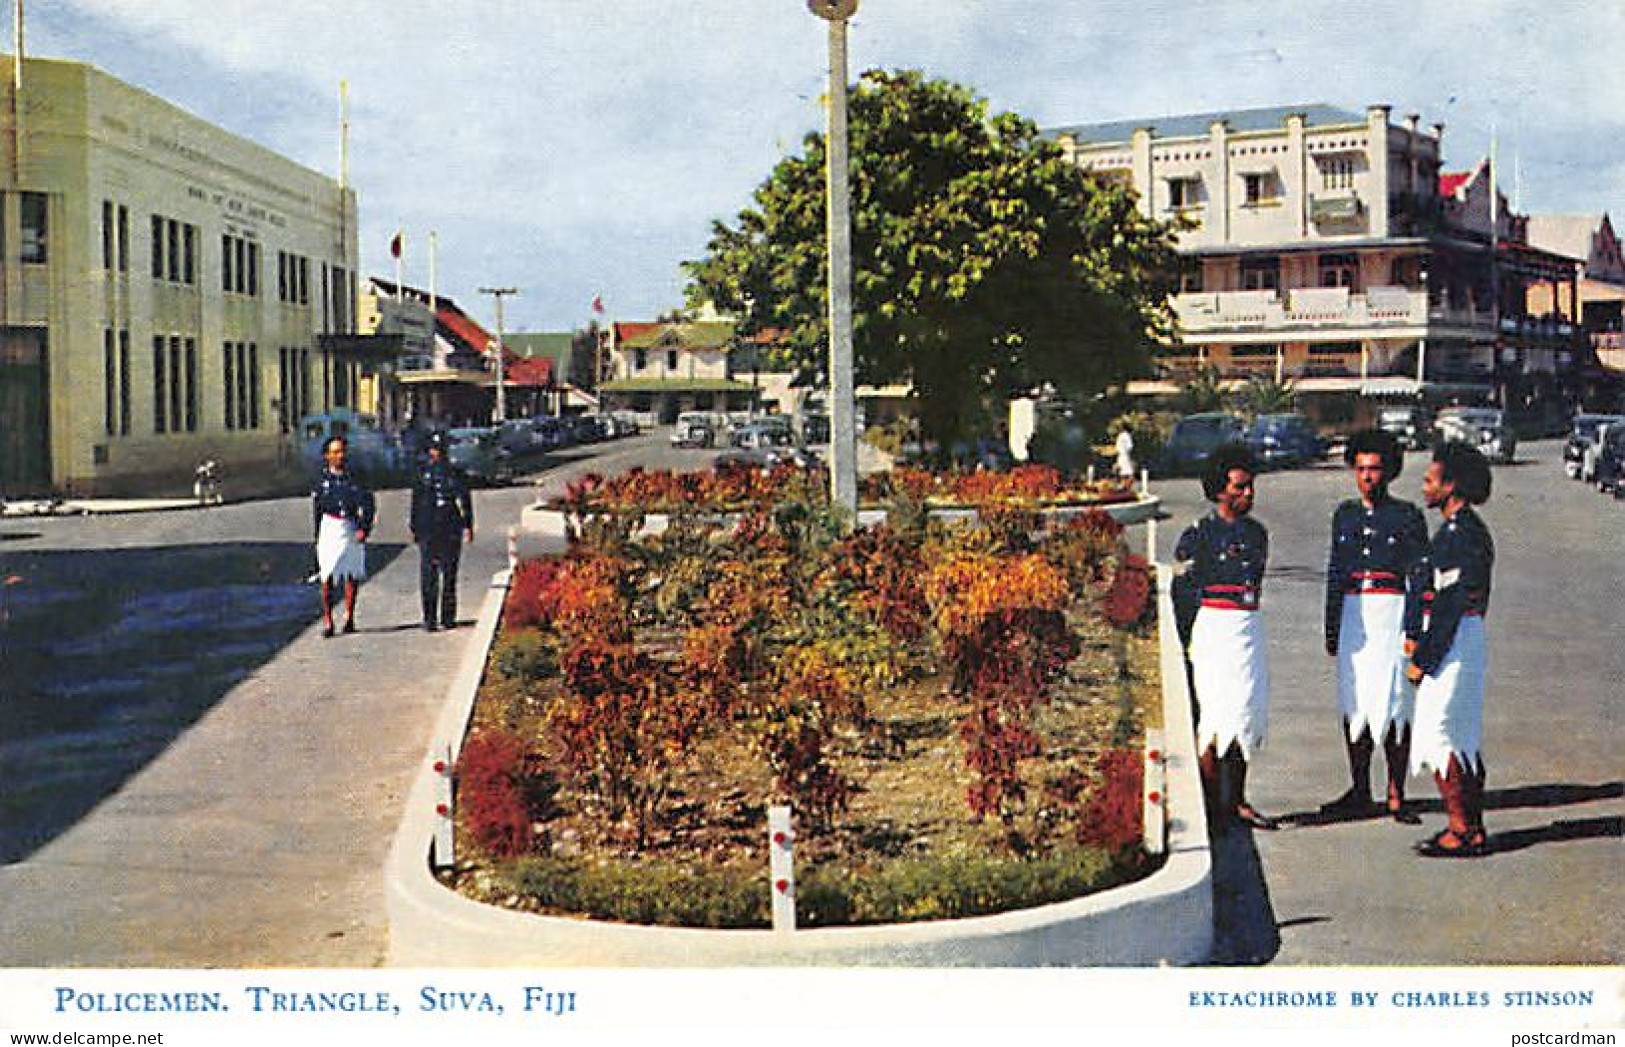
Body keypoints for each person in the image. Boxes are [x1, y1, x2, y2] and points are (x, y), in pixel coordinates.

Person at [1321, 429, 1431, 824]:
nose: (1368, 477)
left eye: (1376, 469)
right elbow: (1336, 571)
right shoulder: (1344, 515)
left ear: (1390, 472)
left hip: (1391, 611)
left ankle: (1397, 791)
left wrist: (1415, 630)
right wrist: (1331, 627)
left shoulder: (1407, 516)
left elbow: (1420, 575)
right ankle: (1360, 788)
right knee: (1355, 701)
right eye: (1362, 469)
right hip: (1355, 613)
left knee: (1394, 701)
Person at [1175, 443, 1276, 831]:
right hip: (1214, 629)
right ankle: (1214, 807)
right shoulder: (1198, 535)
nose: (1247, 494)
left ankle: (1237, 800)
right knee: (1216, 719)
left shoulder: (1258, 535)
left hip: (1247, 628)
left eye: (1250, 486)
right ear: (1219, 491)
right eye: (1238, 487)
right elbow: (1186, 587)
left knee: (1246, 713)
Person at [1406, 442, 1495, 858]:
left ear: (1451, 486)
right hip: (1462, 637)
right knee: (1460, 735)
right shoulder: (1461, 530)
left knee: (1441, 733)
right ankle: (1471, 826)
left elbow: (1449, 605)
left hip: (1454, 639)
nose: (1424, 486)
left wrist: (1423, 660)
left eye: (1430, 480)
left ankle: (1461, 828)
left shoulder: (1460, 535)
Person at [311, 435, 376, 638]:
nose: (339, 456)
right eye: (335, 452)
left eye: (342, 451)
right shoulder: (321, 481)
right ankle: (328, 619)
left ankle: (349, 615)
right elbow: (317, 510)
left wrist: (363, 528)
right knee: (327, 575)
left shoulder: (355, 478)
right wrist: (318, 536)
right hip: (330, 527)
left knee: (351, 573)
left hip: (350, 524)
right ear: (326, 455)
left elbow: (368, 503)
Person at [411, 431, 474, 632]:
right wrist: (414, 527)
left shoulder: (455, 473)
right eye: (435, 449)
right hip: (428, 526)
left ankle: (448, 616)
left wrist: (468, 525)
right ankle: (429, 617)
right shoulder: (422, 474)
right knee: (428, 574)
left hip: (450, 524)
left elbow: (465, 500)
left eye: (441, 449)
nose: (437, 453)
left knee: (449, 573)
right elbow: (416, 502)